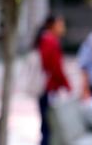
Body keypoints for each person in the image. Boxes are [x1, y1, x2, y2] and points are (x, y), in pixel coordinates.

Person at [35, 15, 70, 145]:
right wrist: (66, 84)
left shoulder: (46, 39)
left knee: (46, 123)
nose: (63, 28)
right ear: (52, 25)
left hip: (47, 87)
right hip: (48, 88)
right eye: (60, 25)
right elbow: (55, 67)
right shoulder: (50, 41)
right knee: (48, 125)